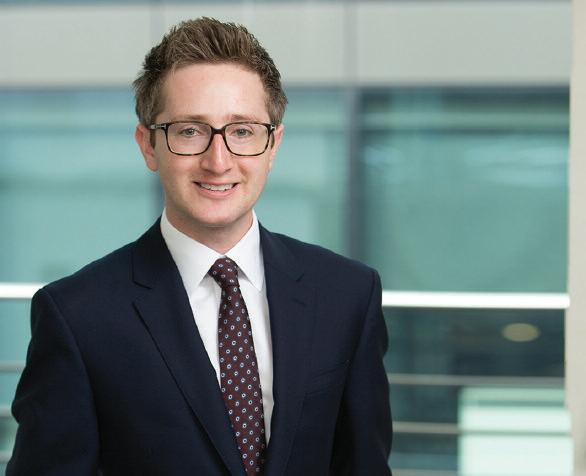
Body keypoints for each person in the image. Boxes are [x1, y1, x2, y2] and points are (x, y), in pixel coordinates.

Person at [7, 17, 392, 476]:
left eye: (242, 131)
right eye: (190, 131)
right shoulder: (77, 316)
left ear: (273, 145)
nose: (218, 160)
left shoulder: (347, 295)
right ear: (148, 145)